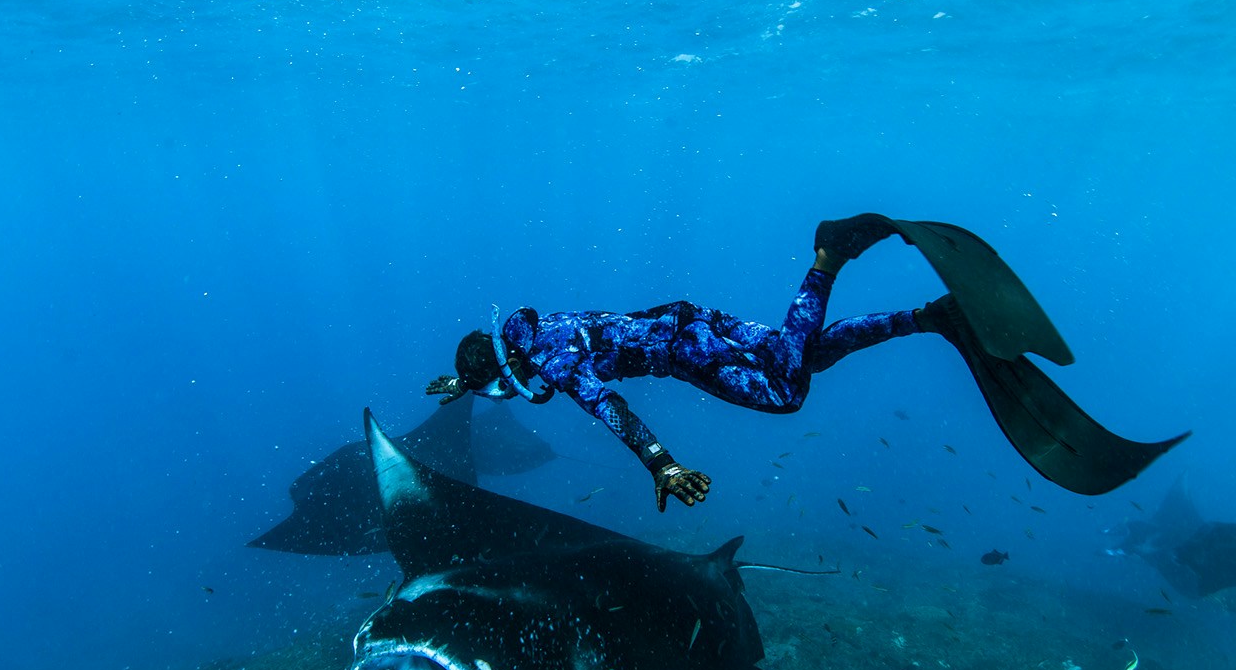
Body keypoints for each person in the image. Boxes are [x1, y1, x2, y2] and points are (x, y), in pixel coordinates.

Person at [426, 214, 1187, 511]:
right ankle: (930, 317)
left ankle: (827, 257)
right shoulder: (527, 335)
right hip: (688, 319)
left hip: (684, 351)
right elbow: (500, 367)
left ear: (508, 366)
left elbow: (608, 407)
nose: (507, 395)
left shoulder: (552, 362)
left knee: (788, 392)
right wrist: (464, 381)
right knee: (803, 356)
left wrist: (659, 464)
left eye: (496, 388)